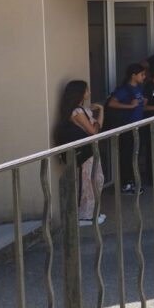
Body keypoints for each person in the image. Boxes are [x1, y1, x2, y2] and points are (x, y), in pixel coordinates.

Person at [55, 80, 106, 225]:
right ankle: (85, 215)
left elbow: (97, 126)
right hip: (85, 151)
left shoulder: (82, 110)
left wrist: (101, 110)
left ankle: (92, 212)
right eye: (87, 90)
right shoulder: (77, 112)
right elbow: (93, 131)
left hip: (90, 149)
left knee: (97, 179)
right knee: (88, 181)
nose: (89, 92)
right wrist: (95, 124)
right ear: (80, 93)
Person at [107, 63, 147, 194]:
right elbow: (112, 103)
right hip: (127, 126)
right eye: (142, 74)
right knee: (127, 155)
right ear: (133, 76)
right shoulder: (125, 89)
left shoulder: (139, 87)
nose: (144, 77)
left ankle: (132, 180)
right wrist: (130, 106)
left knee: (134, 154)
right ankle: (126, 183)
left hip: (137, 125)